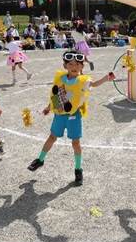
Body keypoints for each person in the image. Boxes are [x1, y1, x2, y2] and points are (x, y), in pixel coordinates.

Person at [27, 50, 115, 186]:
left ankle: (78, 169)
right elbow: (57, 95)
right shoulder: (60, 78)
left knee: (75, 143)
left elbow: (95, 84)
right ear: (65, 66)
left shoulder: (83, 80)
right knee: (52, 137)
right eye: (70, 64)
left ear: (82, 67)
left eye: (77, 64)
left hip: (74, 115)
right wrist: (49, 107)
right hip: (59, 114)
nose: (74, 67)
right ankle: (40, 160)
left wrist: (106, 78)